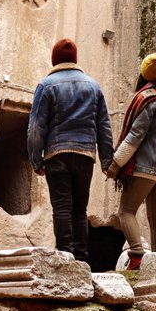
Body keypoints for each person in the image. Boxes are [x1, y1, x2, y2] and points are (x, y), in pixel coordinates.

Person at [27, 38, 114, 262]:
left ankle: (65, 257)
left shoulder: (46, 86)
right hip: (85, 155)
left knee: (62, 208)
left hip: (57, 155)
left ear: (54, 59)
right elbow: (104, 125)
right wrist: (106, 160)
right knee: (79, 210)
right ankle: (82, 259)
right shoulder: (93, 87)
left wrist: (36, 160)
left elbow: (36, 127)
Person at [107, 53, 156, 271]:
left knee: (126, 211)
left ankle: (137, 255)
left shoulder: (147, 98)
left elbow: (135, 136)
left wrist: (116, 164)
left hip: (146, 166)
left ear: (144, 72)